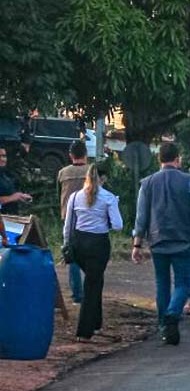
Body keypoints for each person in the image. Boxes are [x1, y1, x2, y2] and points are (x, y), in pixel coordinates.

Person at [132, 142, 190, 346]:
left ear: (160, 160)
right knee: (185, 283)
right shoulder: (188, 181)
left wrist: (137, 243)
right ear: (178, 159)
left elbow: (141, 215)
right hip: (182, 239)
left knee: (162, 283)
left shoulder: (147, 183)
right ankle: (173, 313)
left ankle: (163, 326)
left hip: (157, 240)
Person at [63, 164, 123, 341]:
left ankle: (96, 322)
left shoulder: (74, 197)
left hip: (79, 243)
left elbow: (68, 225)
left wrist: (67, 243)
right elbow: (118, 225)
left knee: (95, 280)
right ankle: (84, 330)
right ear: (102, 178)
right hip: (98, 244)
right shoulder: (108, 198)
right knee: (92, 284)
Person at [58, 140, 89, 303]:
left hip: (68, 219)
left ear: (70, 155)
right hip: (89, 218)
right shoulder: (92, 172)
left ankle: (77, 294)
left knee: (73, 256)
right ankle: (90, 291)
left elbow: (59, 195)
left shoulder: (63, 173)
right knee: (91, 255)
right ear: (86, 154)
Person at [0, 145, 32, 216]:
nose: (2, 159)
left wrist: (21, 196)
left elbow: (13, 195)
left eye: (4, 156)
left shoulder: (7, 175)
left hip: (11, 218)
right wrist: (12, 198)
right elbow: (12, 197)